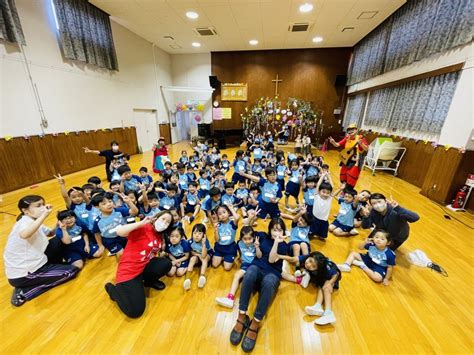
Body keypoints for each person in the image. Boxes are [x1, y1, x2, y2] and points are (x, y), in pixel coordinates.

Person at [4, 195, 80, 307]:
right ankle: (24, 291)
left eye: (43, 204)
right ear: (25, 211)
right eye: (38, 206)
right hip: (24, 274)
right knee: (70, 271)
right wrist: (44, 214)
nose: (43, 208)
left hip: (37, 262)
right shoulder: (24, 222)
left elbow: (51, 233)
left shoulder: (34, 221)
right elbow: (25, 234)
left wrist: (59, 224)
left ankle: (49, 271)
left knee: (56, 241)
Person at [229, 218, 288, 353]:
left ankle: (255, 322)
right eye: (274, 229)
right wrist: (252, 217)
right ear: (269, 230)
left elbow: (272, 259)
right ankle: (242, 316)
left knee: (269, 282)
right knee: (249, 273)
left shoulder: (284, 245)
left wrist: (276, 243)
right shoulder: (261, 236)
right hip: (257, 268)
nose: (276, 232)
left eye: (280, 229)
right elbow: (246, 229)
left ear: (284, 231)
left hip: (272, 273)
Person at [105, 212, 173, 318]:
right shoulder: (144, 227)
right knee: (135, 311)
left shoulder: (161, 236)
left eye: (168, 222)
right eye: (163, 219)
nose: (164, 223)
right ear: (156, 218)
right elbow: (119, 231)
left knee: (166, 264)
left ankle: (148, 283)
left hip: (143, 268)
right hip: (129, 271)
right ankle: (112, 290)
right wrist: (141, 223)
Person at [215, 226, 261, 308]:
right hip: (245, 265)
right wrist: (240, 258)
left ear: (253, 237)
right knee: (236, 275)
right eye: (245, 239)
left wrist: (257, 247)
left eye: (249, 238)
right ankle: (230, 298)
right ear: (241, 238)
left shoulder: (256, 243)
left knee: (249, 282)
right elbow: (240, 252)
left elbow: (259, 256)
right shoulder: (239, 243)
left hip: (255, 265)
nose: (247, 241)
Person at [302, 252, 341, 325]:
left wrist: (330, 283)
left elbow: (336, 274)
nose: (308, 265)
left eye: (313, 266)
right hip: (323, 277)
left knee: (326, 287)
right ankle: (318, 306)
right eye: (310, 261)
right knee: (321, 286)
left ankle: (328, 313)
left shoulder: (328, 268)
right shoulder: (307, 259)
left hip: (332, 278)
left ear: (318, 268)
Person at [328, 124, 368, 188]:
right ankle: (343, 190)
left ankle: (348, 192)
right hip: (346, 159)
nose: (350, 131)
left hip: (355, 162)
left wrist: (361, 144)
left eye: (352, 129)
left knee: (351, 177)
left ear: (356, 130)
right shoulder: (347, 138)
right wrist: (333, 142)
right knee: (343, 176)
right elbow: (337, 145)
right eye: (349, 130)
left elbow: (366, 149)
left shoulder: (360, 138)